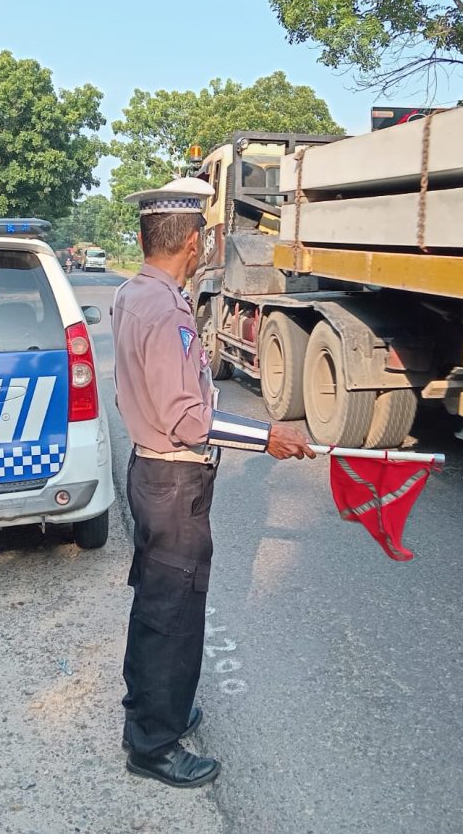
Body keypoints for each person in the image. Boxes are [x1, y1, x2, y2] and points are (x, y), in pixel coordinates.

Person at [113, 176, 314, 788]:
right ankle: (154, 743)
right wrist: (267, 437)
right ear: (194, 240)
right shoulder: (167, 307)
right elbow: (189, 418)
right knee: (172, 612)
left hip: (152, 475)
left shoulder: (133, 293)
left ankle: (156, 710)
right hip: (174, 482)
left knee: (158, 604)